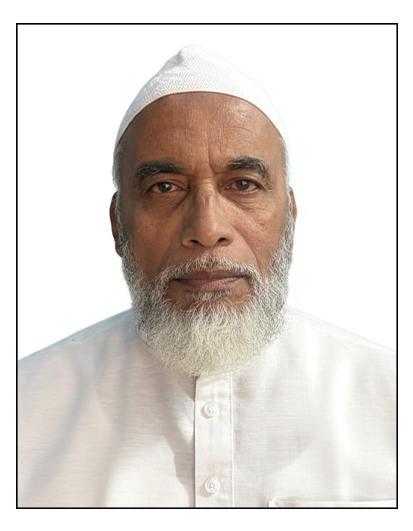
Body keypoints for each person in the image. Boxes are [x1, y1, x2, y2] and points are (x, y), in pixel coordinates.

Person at [18, 45, 396, 508]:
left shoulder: (391, 401)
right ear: (118, 225)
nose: (207, 228)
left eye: (243, 185)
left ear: (291, 218)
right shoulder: (21, 410)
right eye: (165, 188)